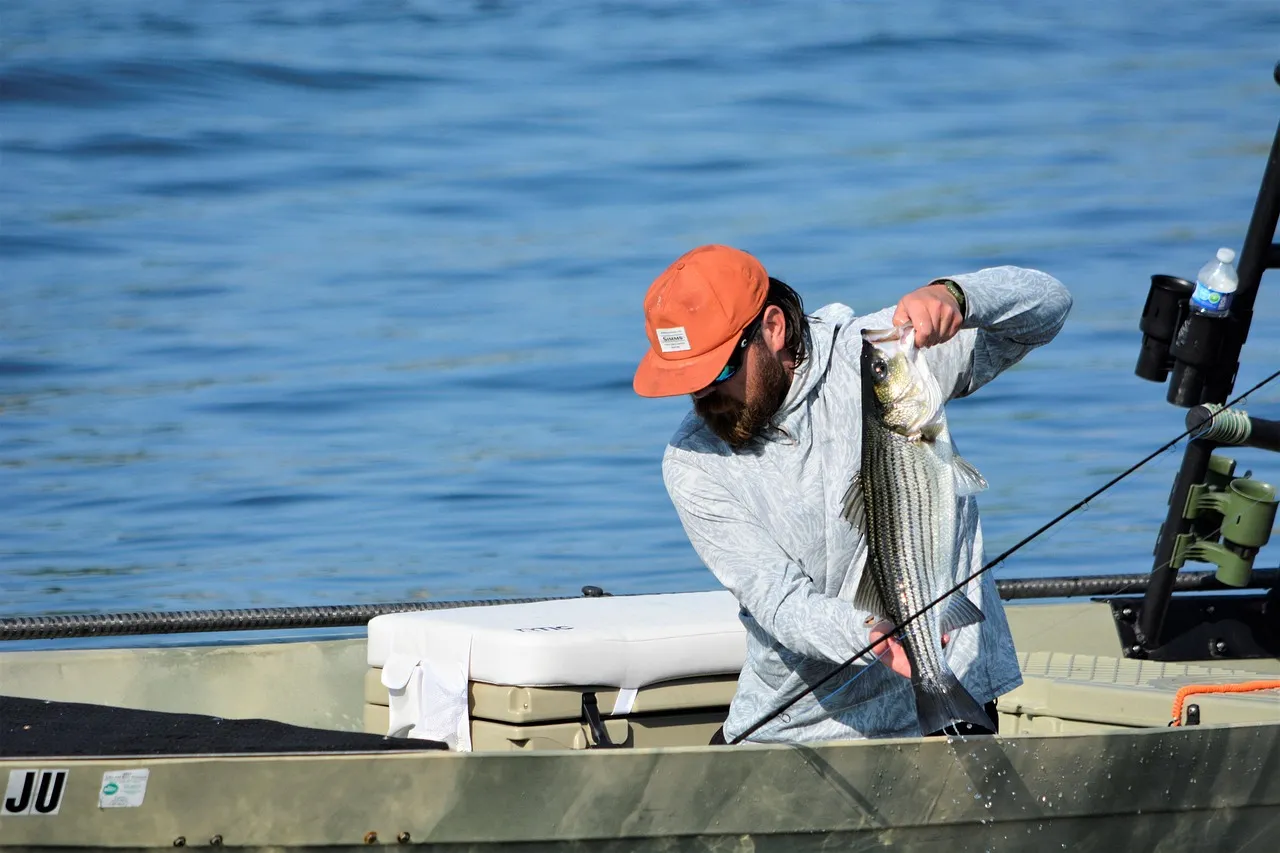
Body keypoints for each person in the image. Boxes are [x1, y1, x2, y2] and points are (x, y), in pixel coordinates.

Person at [632, 244, 1072, 744]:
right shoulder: (692, 461)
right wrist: (872, 635)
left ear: (773, 329)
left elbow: (1048, 306)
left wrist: (957, 295)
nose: (705, 395)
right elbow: (778, 601)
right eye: (686, 382)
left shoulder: (887, 356)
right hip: (794, 726)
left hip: (954, 691)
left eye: (718, 372)